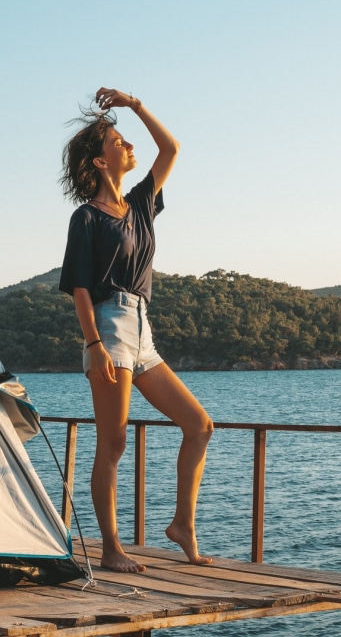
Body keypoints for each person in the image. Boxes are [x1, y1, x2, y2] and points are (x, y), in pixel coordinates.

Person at [59, 87, 214, 573]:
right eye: (117, 141)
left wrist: (133, 104)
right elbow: (80, 289)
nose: (128, 146)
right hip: (108, 327)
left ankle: (181, 524)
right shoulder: (86, 217)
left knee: (199, 425)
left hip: (143, 330)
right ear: (100, 162)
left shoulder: (142, 203)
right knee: (114, 443)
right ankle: (111, 549)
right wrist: (94, 345)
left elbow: (172, 149)